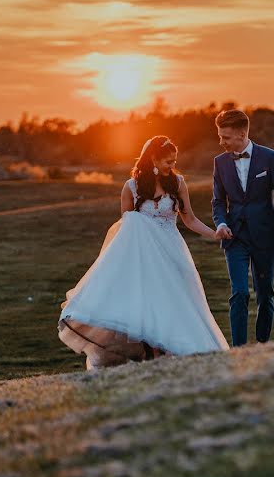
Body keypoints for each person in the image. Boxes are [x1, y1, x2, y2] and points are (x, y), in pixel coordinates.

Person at [58, 136, 229, 369]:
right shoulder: (131, 187)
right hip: (143, 258)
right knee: (149, 302)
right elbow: (127, 228)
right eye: (168, 161)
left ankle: (176, 350)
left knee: (177, 300)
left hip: (172, 253)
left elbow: (189, 219)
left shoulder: (177, 183)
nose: (172, 165)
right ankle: (153, 354)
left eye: (174, 160)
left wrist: (214, 234)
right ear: (153, 159)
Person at [212, 109, 274, 347]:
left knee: (265, 293)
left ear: (241, 133)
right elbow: (218, 201)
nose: (222, 142)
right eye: (220, 136)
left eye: (225, 137)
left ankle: (261, 345)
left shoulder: (269, 158)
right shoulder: (219, 163)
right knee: (239, 293)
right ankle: (238, 350)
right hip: (234, 236)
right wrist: (221, 222)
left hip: (265, 236)